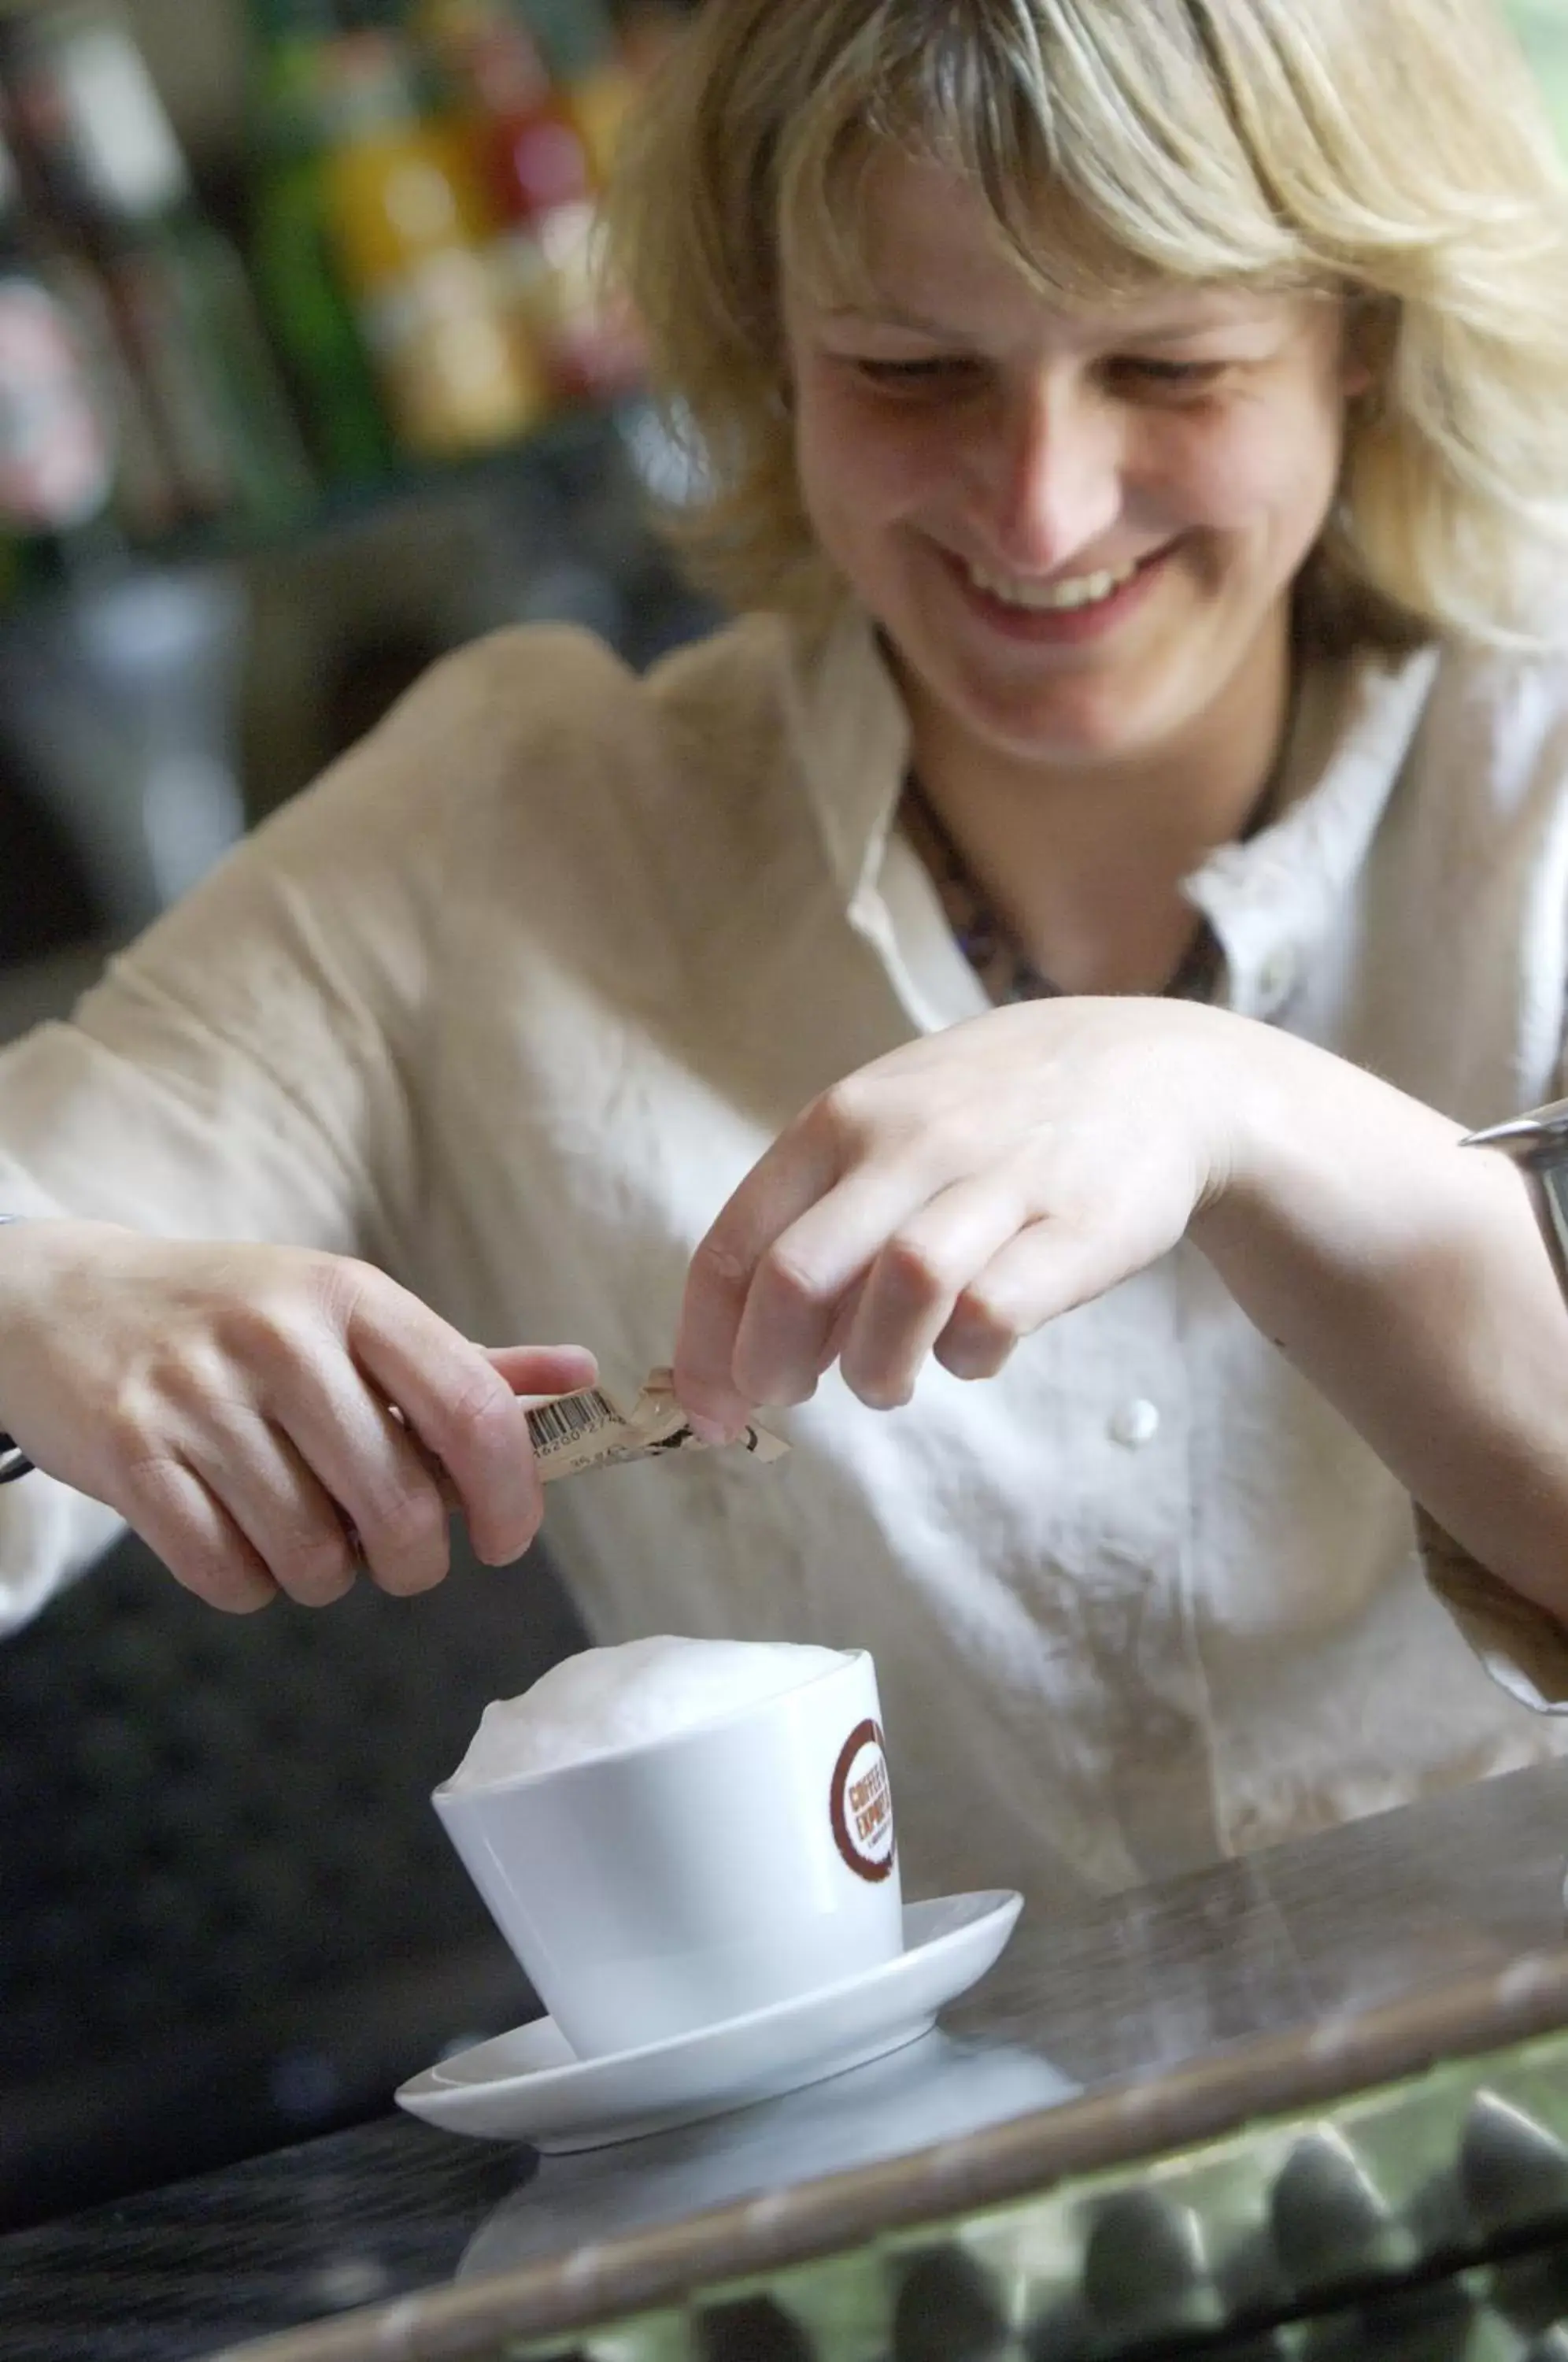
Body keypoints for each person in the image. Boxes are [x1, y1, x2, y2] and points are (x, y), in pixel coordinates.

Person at [2, 0, 1568, 1905]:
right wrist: (34, 1306)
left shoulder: (1540, 774)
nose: (1042, 509)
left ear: (1365, 348)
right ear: (761, 350)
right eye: (913, 373)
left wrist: (1242, 1113)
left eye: (1170, 366)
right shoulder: (505, 832)